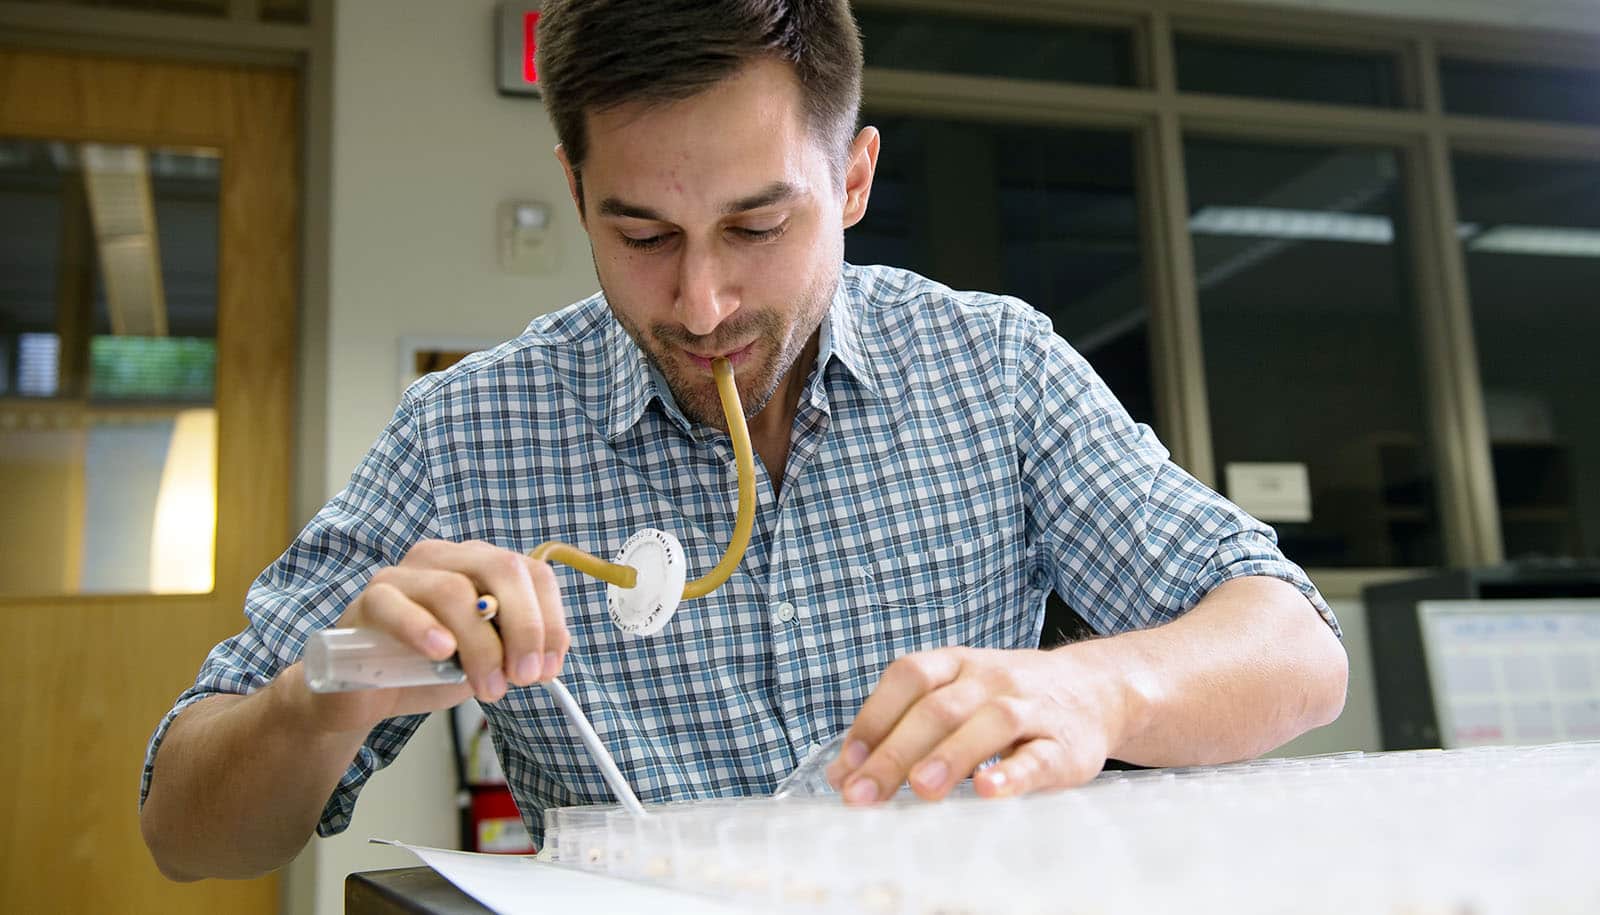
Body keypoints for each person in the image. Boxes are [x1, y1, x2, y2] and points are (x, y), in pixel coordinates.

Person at [139, 0, 1347, 881]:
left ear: (856, 177)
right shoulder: (467, 433)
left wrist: (1099, 690)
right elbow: (186, 831)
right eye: (643, 235)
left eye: (757, 225)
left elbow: (1295, 646)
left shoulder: (996, 366)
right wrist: (325, 693)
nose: (703, 304)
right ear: (574, 193)